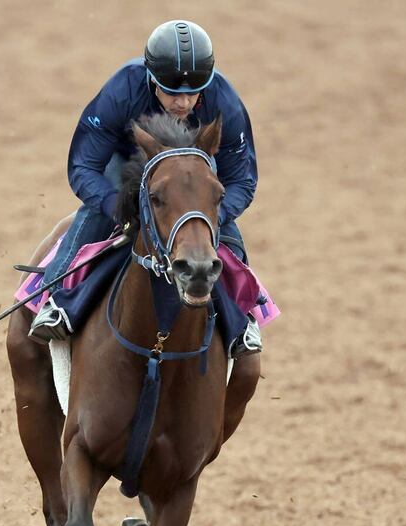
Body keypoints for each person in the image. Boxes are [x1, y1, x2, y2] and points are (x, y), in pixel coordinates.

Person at [29, 19, 262, 357]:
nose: (183, 103)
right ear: (151, 79)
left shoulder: (225, 102)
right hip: (125, 169)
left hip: (193, 182)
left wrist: (214, 215)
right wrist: (115, 206)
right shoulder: (121, 90)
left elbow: (242, 179)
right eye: (172, 92)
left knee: (224, 238)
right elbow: (84, 165)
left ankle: (243, 320)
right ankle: (58, 302)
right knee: (95, 219)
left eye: (192, 93)